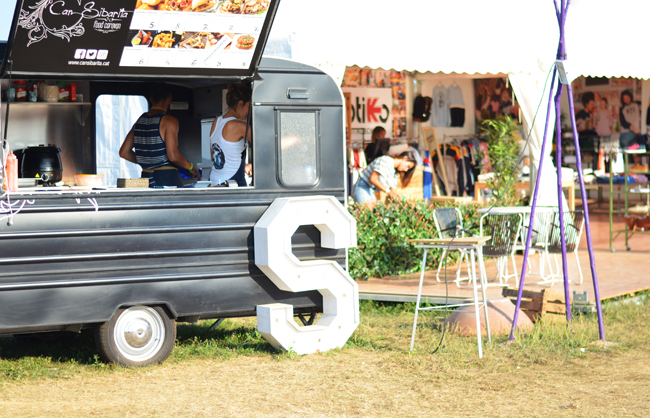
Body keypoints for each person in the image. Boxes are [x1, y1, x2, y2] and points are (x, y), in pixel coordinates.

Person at [120, 83, 199, 187]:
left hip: (146, 179)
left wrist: (148, 161)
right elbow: (173, 156)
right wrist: (191, 167)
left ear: (151, 100)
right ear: (169, 100)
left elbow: (124, 152)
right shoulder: (169, 121)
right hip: (167, 179)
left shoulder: (139, 122)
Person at [209, 83, 252, 186]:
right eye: (248, 106)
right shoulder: (239, 126)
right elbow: (265, 144)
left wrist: (244, 165)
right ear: (240, 104)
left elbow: (214, 156)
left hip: (214, 180)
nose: (249, 111)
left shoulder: (216, 122)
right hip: (232, 182)